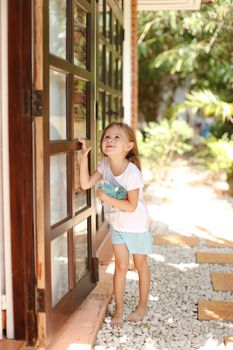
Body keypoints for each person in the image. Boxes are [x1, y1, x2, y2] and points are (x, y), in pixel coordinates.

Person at [79, 122, 152, 328]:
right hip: (117, 225)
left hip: (136, 225)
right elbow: (85, 184)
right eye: (107, 137)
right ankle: (119, 309)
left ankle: (142, 306)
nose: (109, 140)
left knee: (140, 266)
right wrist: (82, 159)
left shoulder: (132, 173)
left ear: (129, 146)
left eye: (116, 137)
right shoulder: (104, 165)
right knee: (120, 266)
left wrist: (106, 198)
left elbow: (131, 206)